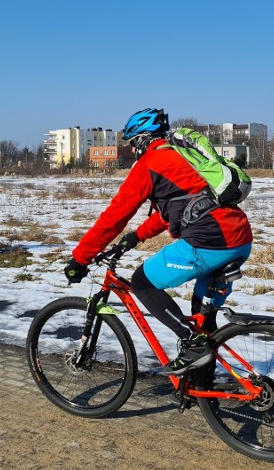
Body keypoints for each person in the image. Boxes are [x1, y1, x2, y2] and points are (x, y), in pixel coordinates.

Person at [64, 108, 253, 376]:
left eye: (132, 143)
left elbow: (114, 217)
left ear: (141, 139)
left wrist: (81, 258)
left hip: (210, 241)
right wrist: (134, 238)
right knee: (202, 319)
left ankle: (192, 345)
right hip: (239, 238)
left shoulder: (151, 163)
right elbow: (176, 212)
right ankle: (202, 384)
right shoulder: (182, 158)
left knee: (142, 282)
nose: (133, 150)